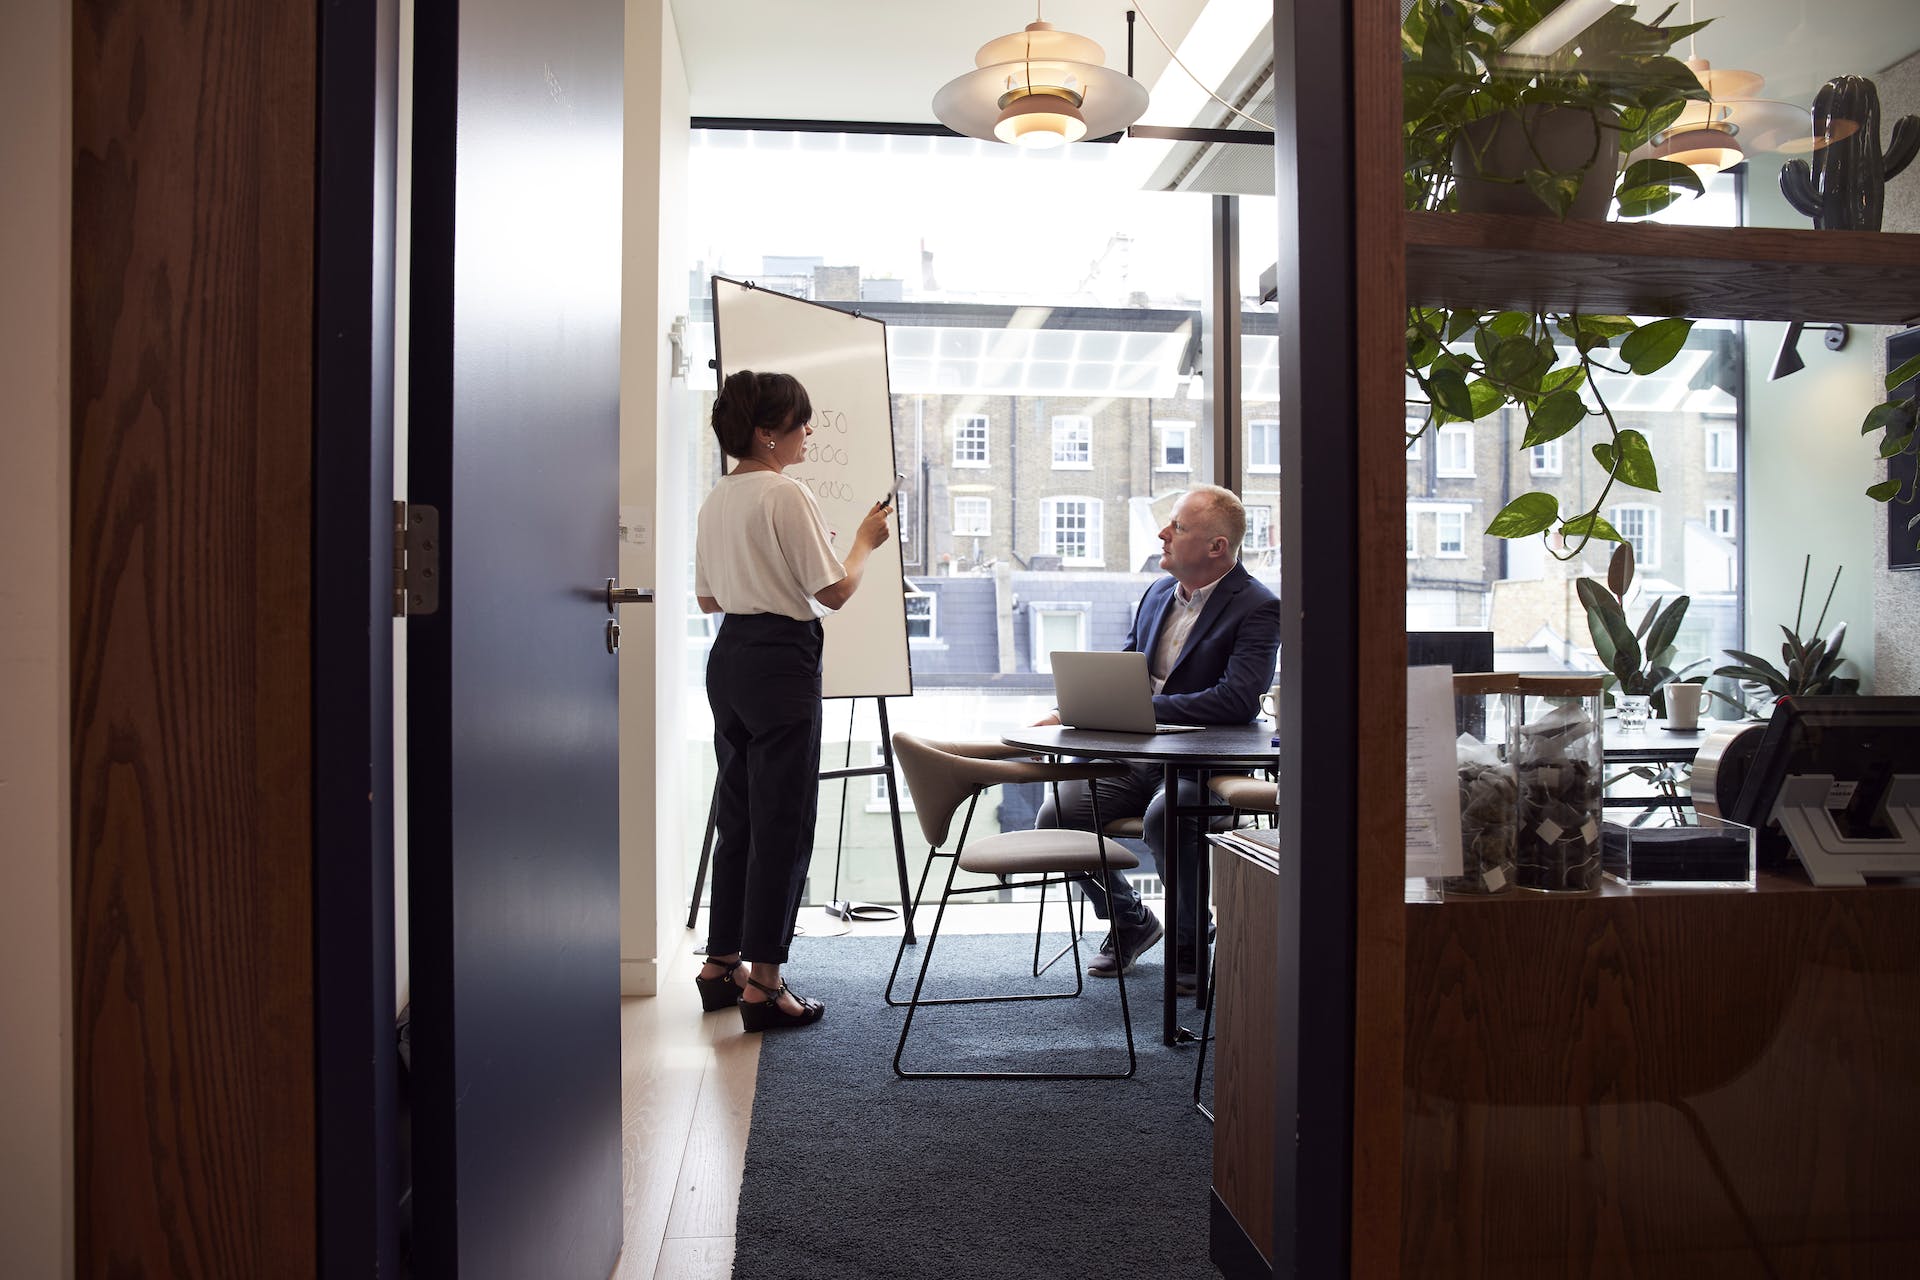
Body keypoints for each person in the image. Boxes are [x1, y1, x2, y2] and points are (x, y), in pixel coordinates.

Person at [692, 369, 892, 1031]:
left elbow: (709, 598)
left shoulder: (718, 498)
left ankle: (721, 963)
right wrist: (864, 541)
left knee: (741, 815)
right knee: (784, 819)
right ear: (767, 432)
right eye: (801, 422)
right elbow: (833, 592)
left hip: (730, 657)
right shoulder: (786, 493)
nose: (809, 432)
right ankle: (766, 985)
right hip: (781, 660)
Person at [1034, 484, 1279, 992]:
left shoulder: (1257, 606)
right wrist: (1072, 708)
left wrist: (1142, 709)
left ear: (1216, 547)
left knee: (1167, 817)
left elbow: (1235, 700)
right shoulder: (1155, 595)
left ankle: (1191, 940)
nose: (1163, 534)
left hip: (1205, 764)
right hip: (1139, 756)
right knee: (1058, 817)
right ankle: (1130, 920)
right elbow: (1126, 672)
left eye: (1179, 527)